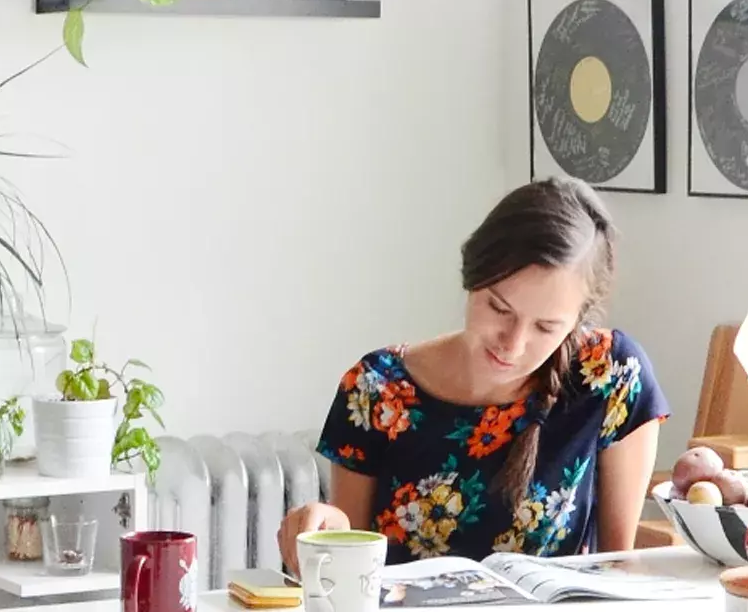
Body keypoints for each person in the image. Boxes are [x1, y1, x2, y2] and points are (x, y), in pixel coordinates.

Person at [279, 177, 667, 571]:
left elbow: (620, 565)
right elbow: (351, 566)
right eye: (499, 308)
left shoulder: (610, 375)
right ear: (473, 275)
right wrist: (326, 532)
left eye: (546, 328)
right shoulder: (376, 390)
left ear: (576, 322)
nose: (513, 344)